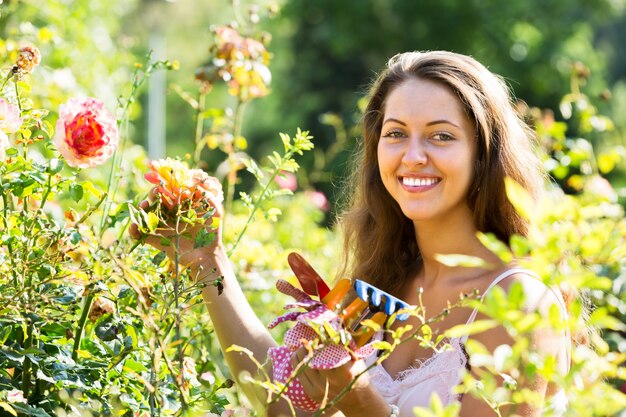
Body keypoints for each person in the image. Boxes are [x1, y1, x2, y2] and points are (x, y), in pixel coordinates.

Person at [132, 50, 572, 417]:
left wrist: (356, 393)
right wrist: (209, 262)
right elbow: (285, 401)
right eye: (396, 133)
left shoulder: (518, 301)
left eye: (440, 136)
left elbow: (349, 397)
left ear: (483, 156)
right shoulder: (385, 279)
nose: (413, 156)